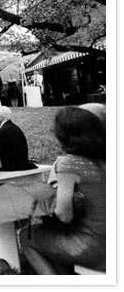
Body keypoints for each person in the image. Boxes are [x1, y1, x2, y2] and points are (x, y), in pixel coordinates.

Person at [20, 106, 106, 274]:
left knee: (26, 236)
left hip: (90, 247)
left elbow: (64, 216)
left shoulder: (69, 164)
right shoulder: (105, 158)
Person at [0, 106, 36, 171]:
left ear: (0, 118)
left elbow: (0, 152)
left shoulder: (1, 132)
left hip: (10, 166)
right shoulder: (15, 128)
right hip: (22, 163)